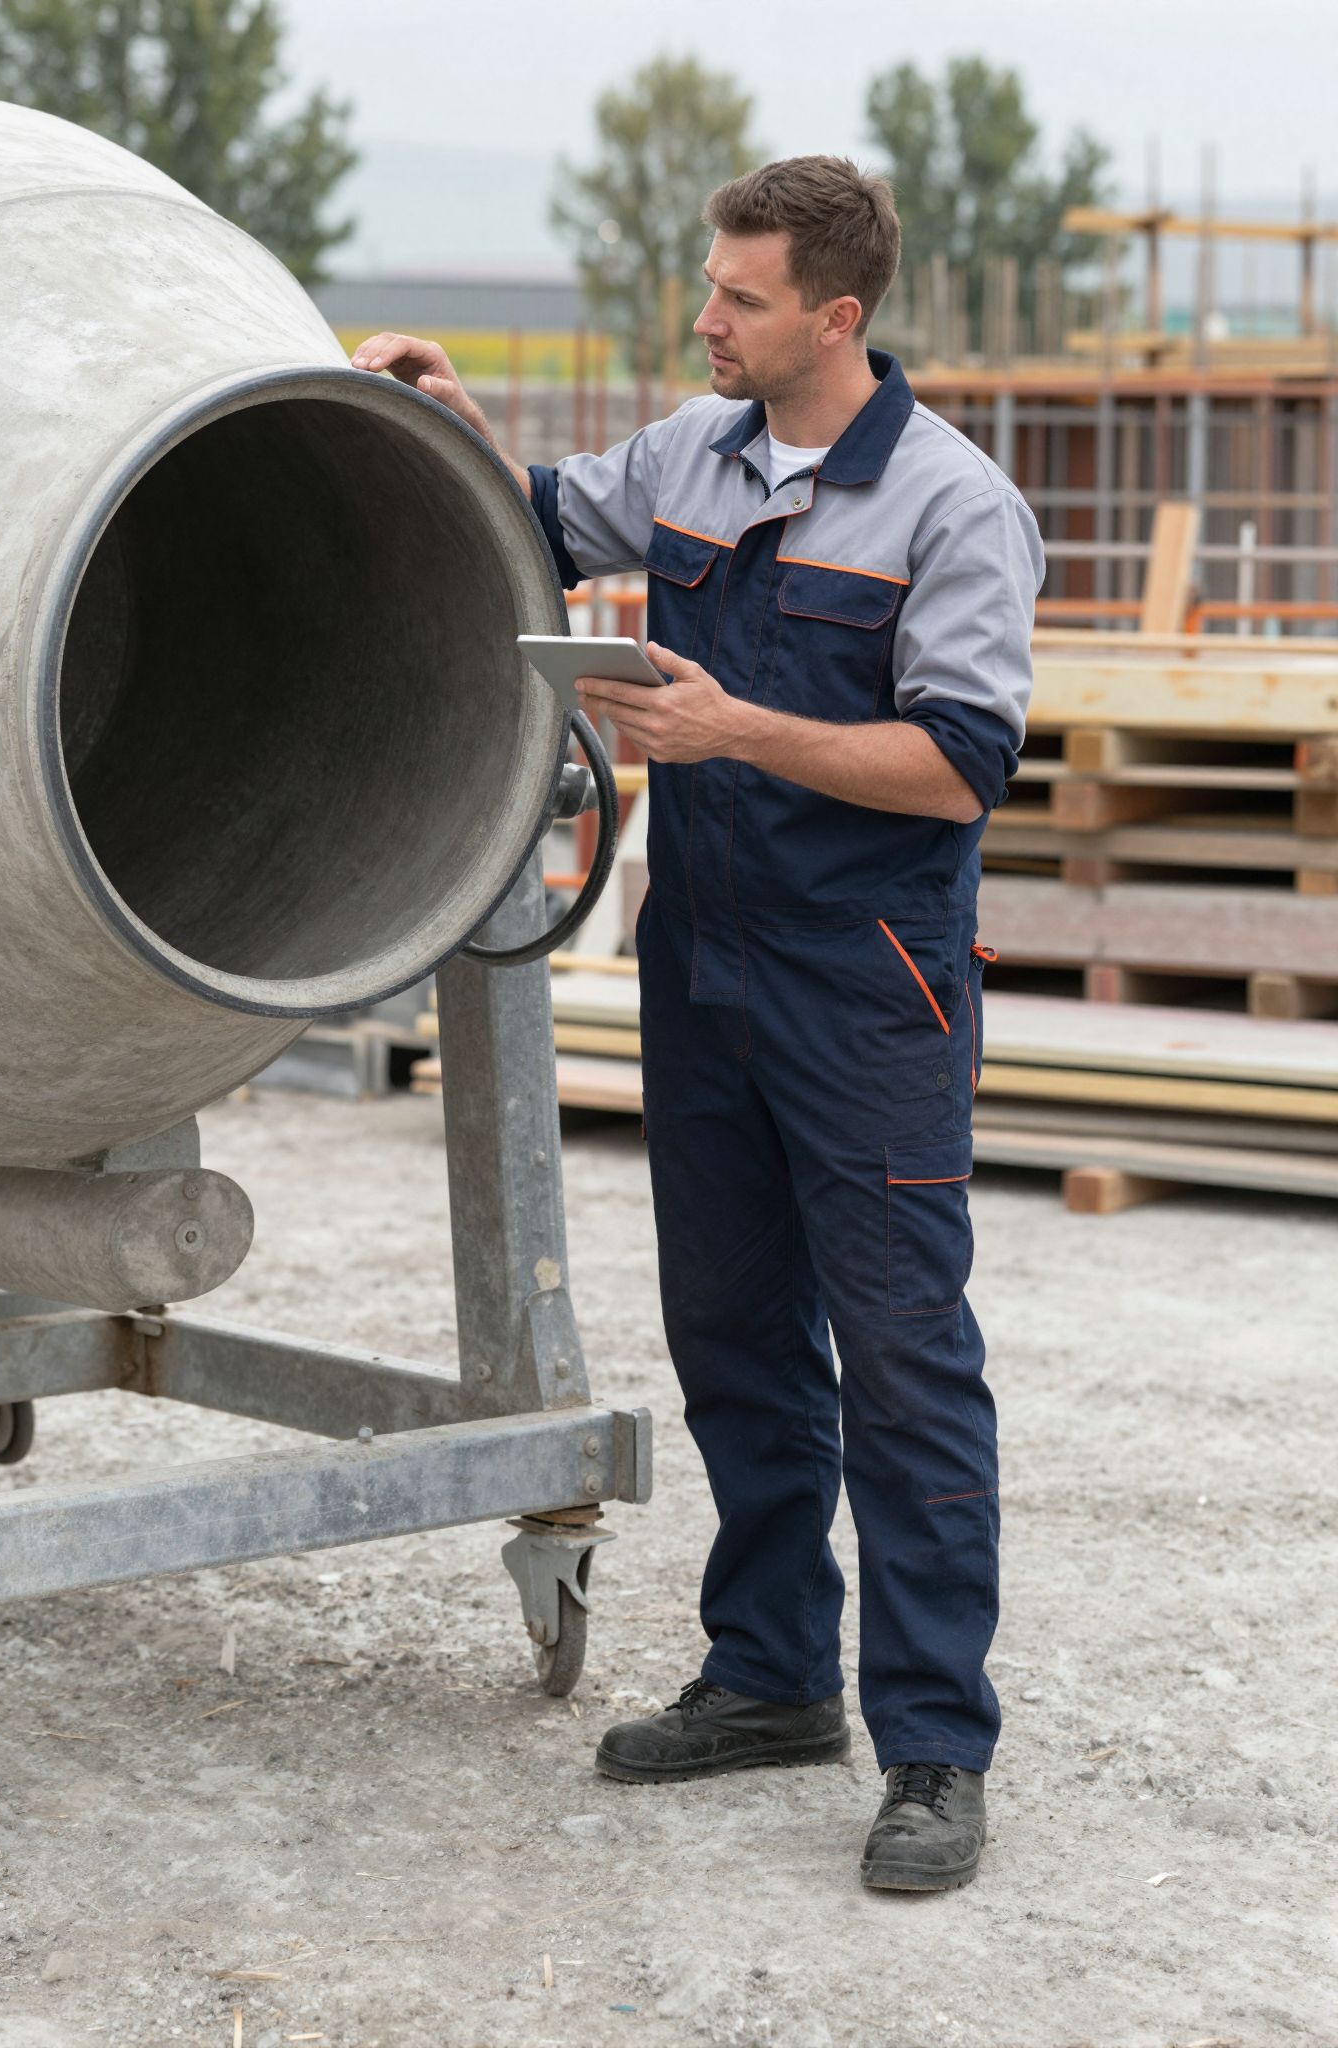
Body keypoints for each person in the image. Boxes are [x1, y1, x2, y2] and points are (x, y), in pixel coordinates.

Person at [353, 153, 1042, 1893]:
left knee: (903, 1359)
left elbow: (959, 765)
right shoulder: (689, 456)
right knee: (733, 1328)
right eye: (709, 285)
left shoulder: (953, 508)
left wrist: (737, 732)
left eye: (740, 297)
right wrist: (450, 420)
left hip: (867, 979)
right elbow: (534, 518)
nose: (705, 318)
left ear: (837, 315)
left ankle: (937, 1748)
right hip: (704, 963)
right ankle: (773, 1676)